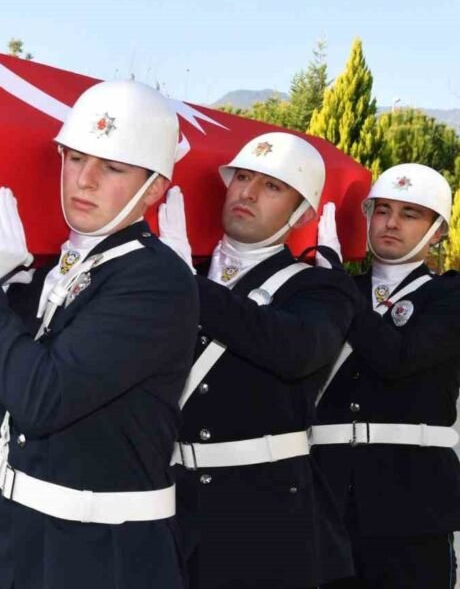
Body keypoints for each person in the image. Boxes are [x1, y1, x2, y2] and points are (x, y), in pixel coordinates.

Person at [0, 80, 198, 588]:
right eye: (74, 159)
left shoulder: (155, 280)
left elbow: (43, 398)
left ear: (154, 187)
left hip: (97, 556)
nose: (84, 181)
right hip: (4, 538)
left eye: (111, 167)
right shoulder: (45, 269)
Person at [158, 132, 357, 587]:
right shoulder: (180, 265)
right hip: (167, 507)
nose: (247, 193)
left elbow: (295, 349)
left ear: (300, 213)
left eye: (271, 186)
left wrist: (186, 282)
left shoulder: (319, 288)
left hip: (262, 521)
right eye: (242, 177)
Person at [312, 163, 460, 588]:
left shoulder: (448, 296)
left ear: (438, 232)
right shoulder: (332, 287)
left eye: (410, 214)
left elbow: (399, 358)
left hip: (413, 502)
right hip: (327, 495)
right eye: (382, 210)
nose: (391, 223)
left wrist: (336, 285)